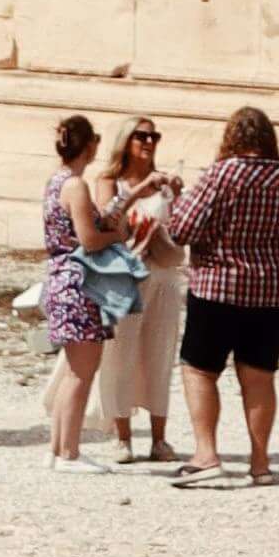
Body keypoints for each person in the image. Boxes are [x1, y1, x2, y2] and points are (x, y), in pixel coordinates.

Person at [172, 107, 279, 481]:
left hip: (220, 284)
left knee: (199, 369)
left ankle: (206, 454)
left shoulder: (220, 175)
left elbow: (181, 228)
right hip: (277, 288)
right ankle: (260, 462)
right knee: (259, 375)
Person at [91, 122, 184, 460]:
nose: (148, 141)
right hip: (124, 279)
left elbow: (181, 227)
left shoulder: (164, 183)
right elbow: (105, 219)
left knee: (160, 354)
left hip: (163, 275)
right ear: (126, 141)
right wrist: (138, 191)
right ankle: (122, 437)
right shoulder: (109, 181)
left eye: (153, 136)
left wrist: (178, 195)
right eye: (141, 136)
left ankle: (159, 439)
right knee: (120, 355)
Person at [38, 112, 118, 460]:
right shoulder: (75, 185)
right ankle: (69, 452)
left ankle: (58, 448)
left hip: (61, 279)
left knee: (73, 370)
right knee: (82, 372)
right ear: (88, 146)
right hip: (79, 282)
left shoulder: (56, 181)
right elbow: (89, 238)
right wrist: (119, 235)